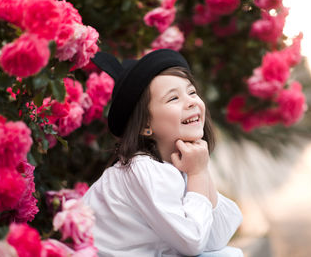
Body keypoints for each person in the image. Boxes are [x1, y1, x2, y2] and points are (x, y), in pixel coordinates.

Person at [83, 49, 243, 257]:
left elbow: (216, 239)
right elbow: (193, 241)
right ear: (145, 125)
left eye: (192, 92)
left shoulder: (176, 166)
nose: (191, 101)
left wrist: (199, 171)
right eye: (174, 98)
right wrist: (197, 174)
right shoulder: (141, 168)